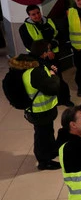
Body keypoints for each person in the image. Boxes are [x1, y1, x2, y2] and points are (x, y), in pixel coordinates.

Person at [16, 40, 61, 169]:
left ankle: (51, 152)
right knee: (42, 136)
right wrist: (53, 76)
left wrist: (49, 71)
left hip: (42, 110)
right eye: (47, 50)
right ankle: (44, 161)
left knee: (47, 133)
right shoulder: (36, 71)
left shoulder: (36, 63)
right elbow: (52, 88)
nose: (49, 52)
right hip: (39, 111)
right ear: (43, 53)